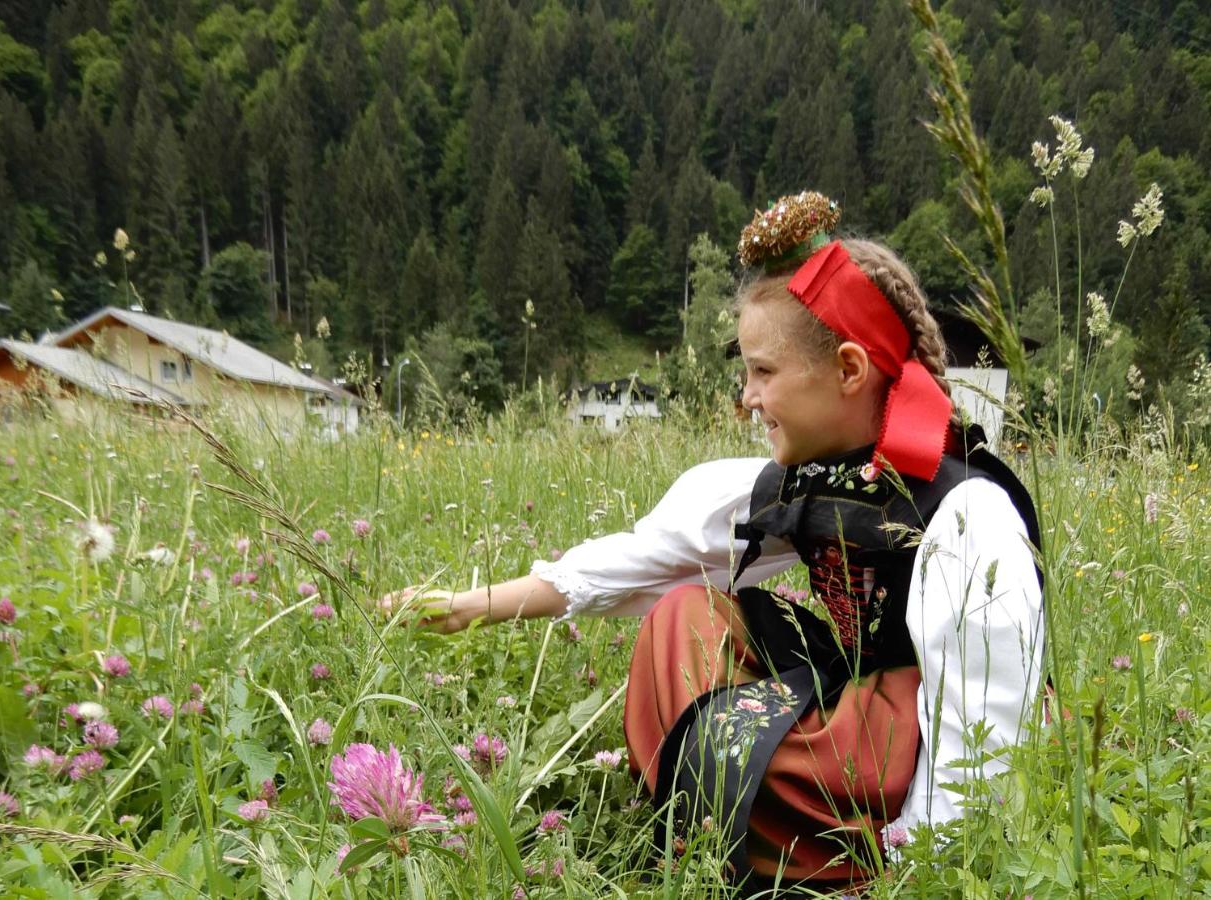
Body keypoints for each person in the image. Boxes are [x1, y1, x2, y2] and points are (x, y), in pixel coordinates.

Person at [387, 191, 1045, 892]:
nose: (748, 397)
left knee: (766, 741)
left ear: (849, 370)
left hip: (919, 737)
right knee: (682, 616)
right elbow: (648, 558)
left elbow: (983, 731)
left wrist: (924, 870)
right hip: (850, 697)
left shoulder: (965, 512)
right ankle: (713, 818)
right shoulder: (808, 478)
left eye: (764, 372)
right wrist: (474, 605)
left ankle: (825, 854)